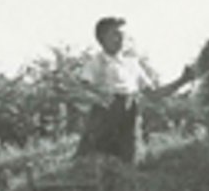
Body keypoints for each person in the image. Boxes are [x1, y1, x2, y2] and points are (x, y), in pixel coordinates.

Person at [77, 16, 197, 163]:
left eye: (122, 35)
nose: (120, 39)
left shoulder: (132, 64)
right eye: (114, 34)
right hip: (104, 118)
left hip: (129, 117)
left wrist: (182, 80)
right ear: (102, 38)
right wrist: (100, 96)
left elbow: (153, 94)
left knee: (128, 164)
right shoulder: (95, 63)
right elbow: (82, 89)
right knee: (97, 161)